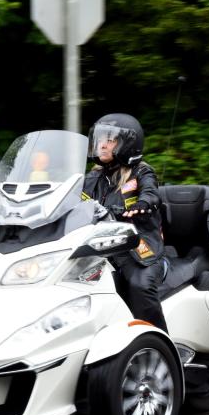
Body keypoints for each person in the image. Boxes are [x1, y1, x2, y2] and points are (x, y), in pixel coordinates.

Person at [82, 113, 168, 332]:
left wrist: (143, 203)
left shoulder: (141, 172)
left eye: (109, 140)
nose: (102, 145)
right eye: (100, 140)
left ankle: (160, 347)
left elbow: (151, 193)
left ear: (128, 144)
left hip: (136, 245)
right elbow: (71, 199)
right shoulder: (93, 177)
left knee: (139, 286)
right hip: (97, 245)